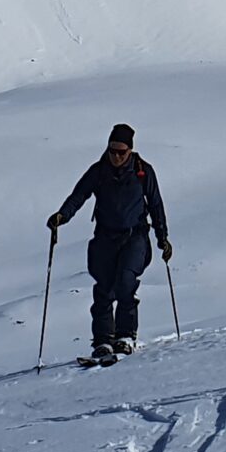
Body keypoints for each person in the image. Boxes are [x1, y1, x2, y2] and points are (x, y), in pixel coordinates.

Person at [48, 123, 171, 360]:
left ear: (130, 151)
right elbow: (79, 195)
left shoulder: (143, 171)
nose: (115, 156)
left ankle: (125, 336)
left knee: (125, 281)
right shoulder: (98, 171)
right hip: (105, 236)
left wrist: (162, 238)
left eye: (121, 152)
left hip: (135, 235)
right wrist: (62, 215)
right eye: (112, 151)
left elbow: (156, 205)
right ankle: (103, 341)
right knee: (104, 288)